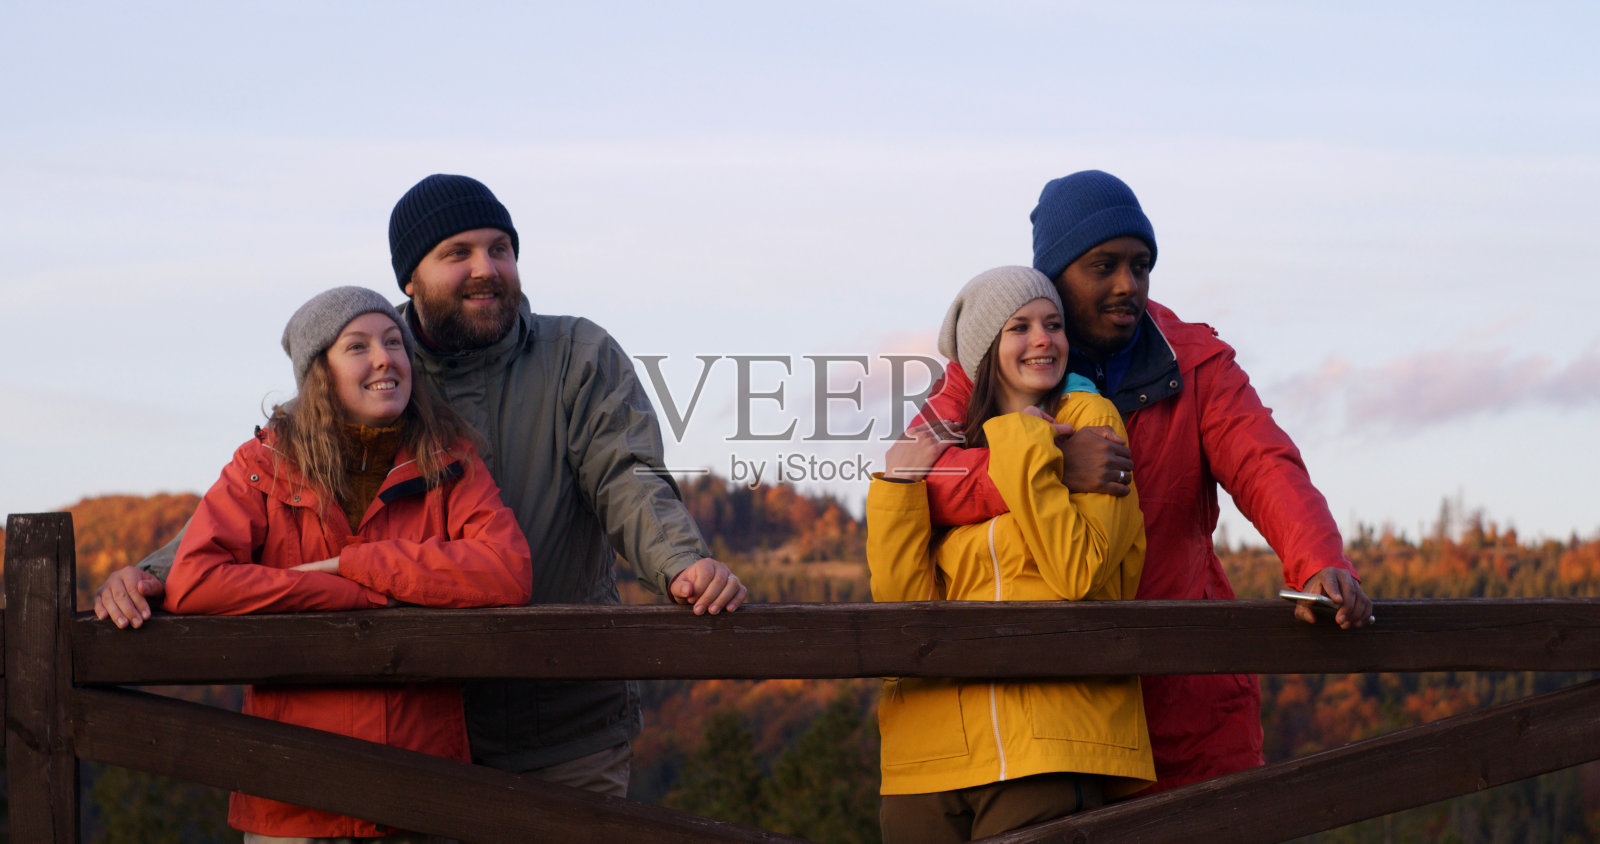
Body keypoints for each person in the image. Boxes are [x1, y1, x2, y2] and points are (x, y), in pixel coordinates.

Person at [95, 174, 748, 796]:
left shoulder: (578, 355)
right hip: (412, 727)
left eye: (500, 248)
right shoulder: (374, 364)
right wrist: (156, 574)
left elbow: (627, 476)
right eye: (457, 253)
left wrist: (679, 563)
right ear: (409, 278)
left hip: (562, 723)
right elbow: (272, 478)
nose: (486, 268)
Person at [911, 170, 1374, 794]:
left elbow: (1265, 463)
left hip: (1187, 704)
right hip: (1046, 715)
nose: (1127, 283)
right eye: (1103, 266)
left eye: (1141, 264)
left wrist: (1318, 561)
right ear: (1054, 275)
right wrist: (1047, 464)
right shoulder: (990, 360)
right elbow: (918, 477)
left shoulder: (1197, 362)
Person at [163, 286, 534, 841]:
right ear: (319, 371)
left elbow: (506, 568)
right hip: (293, 798)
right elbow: (195, 582)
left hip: (420, 796)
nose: (385, 358)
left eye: (394, 342)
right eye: (358, 346)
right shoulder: (264, 464)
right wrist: (355, 594)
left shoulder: (450, 459)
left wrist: (356, 563)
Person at [868, 266, 1153, 843]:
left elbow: (1080, 572)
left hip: (1047, 744)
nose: (1043, 339)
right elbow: (902, 606)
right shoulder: (944, 449)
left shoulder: (1090, 422)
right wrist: (897, 488)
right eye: (1019, 327)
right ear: (984, 348)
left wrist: (1026, 441)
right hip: (928, 752)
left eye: (1053, 324)